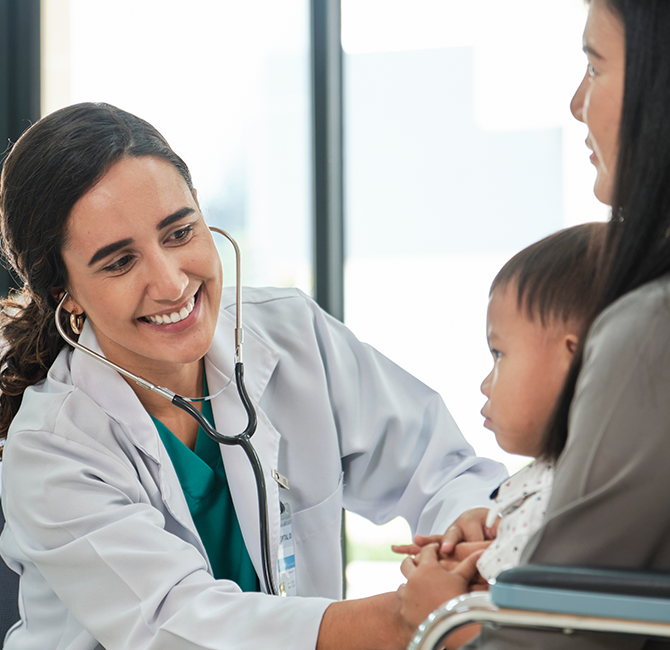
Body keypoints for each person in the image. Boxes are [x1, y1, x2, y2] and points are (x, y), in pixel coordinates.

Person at [0, 102, 508, 650]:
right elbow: (179, 625)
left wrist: (469, 533)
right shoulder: (52, 452)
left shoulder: (292, 335)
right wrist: (408, 617)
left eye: (179, 233)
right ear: (65, 293)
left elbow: (441, 467)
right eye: (120, 262)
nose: (171, 285)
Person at [400, 0, 670, 648]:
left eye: (594, 66)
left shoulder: (649, 332)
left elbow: (559, 636)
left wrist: (444, 619)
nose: (578, 104)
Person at [395, 222, 607, 645]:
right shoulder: (561, 477)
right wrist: (491, 522)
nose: (485, 383)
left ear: (575, 357)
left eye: (499, 354)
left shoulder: (579, 502)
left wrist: (441, 614)